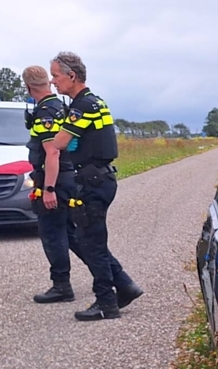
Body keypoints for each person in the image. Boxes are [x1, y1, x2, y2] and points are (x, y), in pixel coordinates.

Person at [50, 51, 143, 321]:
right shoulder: (93, 101)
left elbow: (60, 142)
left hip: (93, 181)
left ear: (72, 76)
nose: (54, 82)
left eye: (56, 76)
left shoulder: (82, 106)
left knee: (93, 244)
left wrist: (60, 132)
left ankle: (106, 303)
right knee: (89, 240)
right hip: (97, 179)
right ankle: (124, 286)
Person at [21, 65, 86, 303]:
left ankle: (61, 285)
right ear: (48, 82)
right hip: (69, 176)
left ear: (28, 87)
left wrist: (48, 188)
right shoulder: (60, 107)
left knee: (52, 233)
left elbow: (52, 153)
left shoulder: (45, 112)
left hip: (55, 178)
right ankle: (109, 276)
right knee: (71, 233)